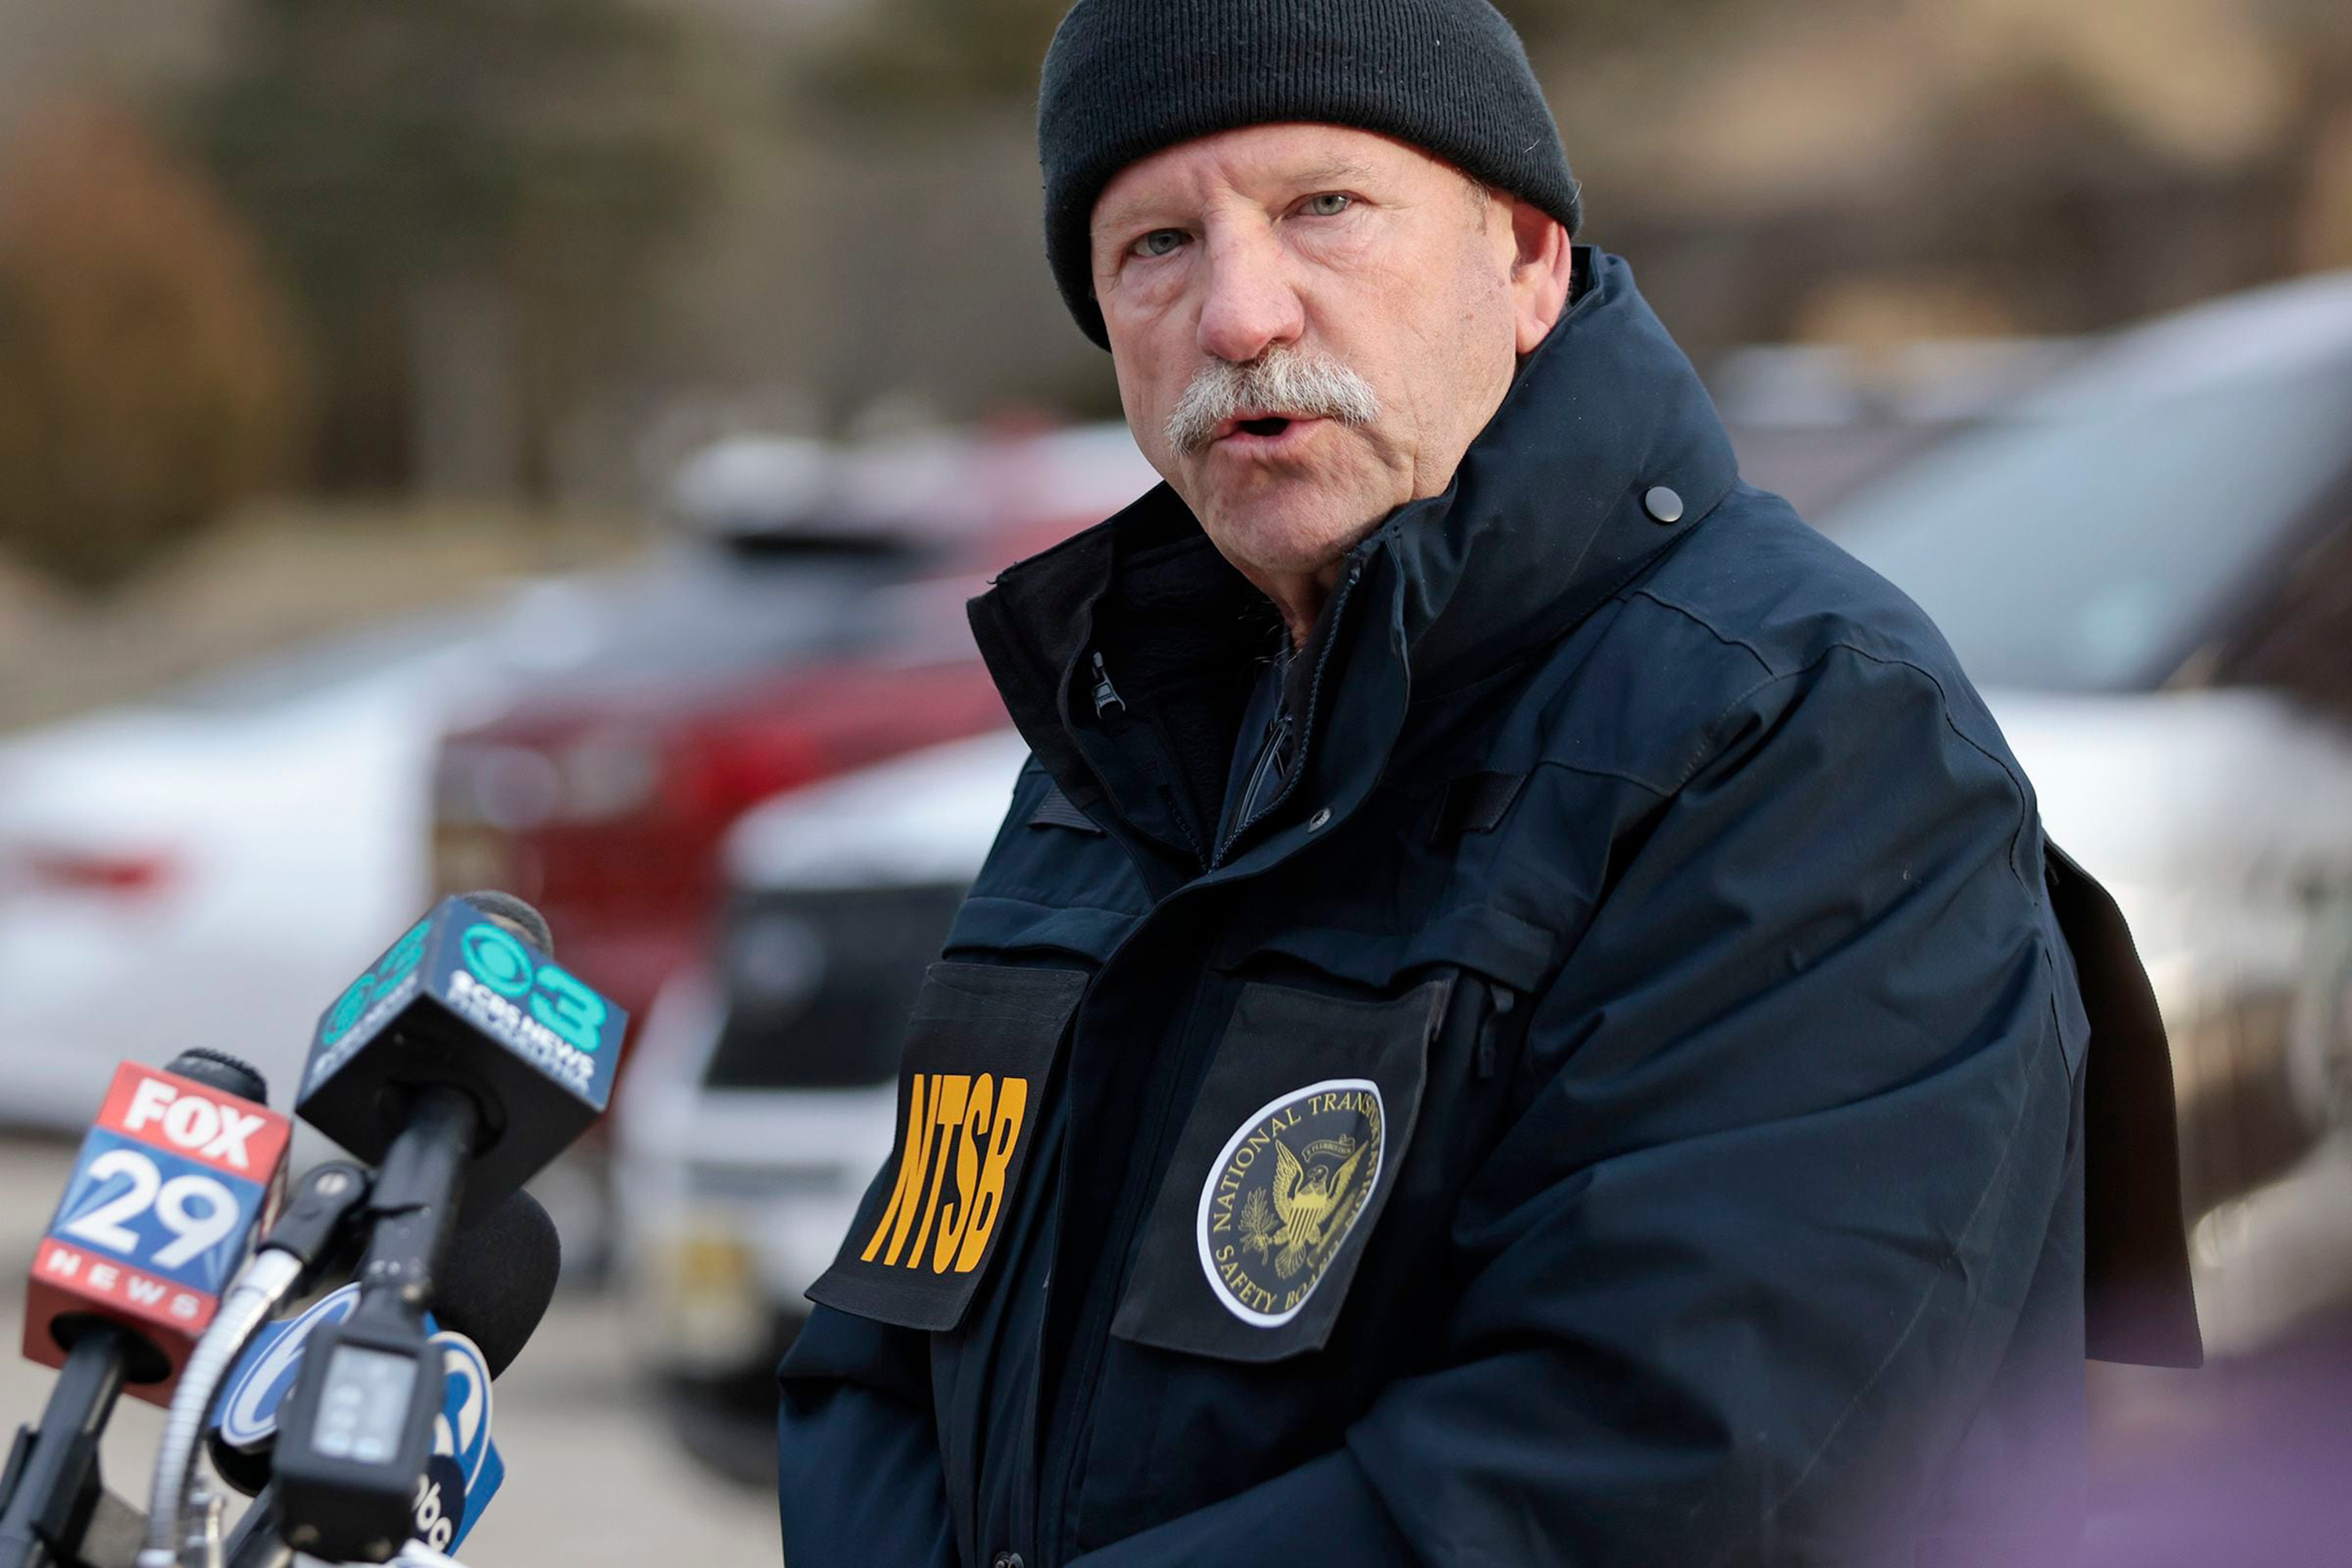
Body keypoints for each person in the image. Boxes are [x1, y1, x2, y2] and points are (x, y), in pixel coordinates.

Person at [775, 2, 2198, 1563]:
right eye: (1154, 246)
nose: (1241, 312)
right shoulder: (1121, 753)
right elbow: (878, 1356)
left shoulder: (1809, 735)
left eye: (1322, 206)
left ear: (1524, 260)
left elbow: (1645, 1475)